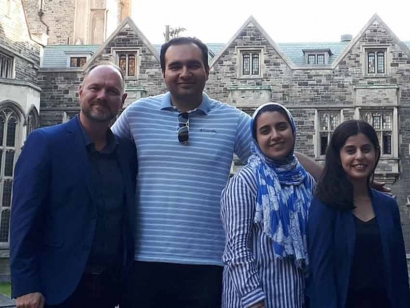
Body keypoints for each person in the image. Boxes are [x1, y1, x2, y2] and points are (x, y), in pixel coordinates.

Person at [111, 37, 322, 307]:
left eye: (193, 65)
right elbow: (104, 155)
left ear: (207, 71)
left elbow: (282, 155)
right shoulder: (137, 114)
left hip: (209, 264)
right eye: (175, 66)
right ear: (163, 72)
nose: (184, 73)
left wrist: (345, 179)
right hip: (144, 261)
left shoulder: (233, 121)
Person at [10, 63, 137, 308]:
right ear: (80, 92)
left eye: (111, 91)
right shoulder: (46, 143)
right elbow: (24, 218)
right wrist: (26, 286)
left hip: (112, 290)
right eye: (95, 88)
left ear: (122, 100)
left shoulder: (127, 153)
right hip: (56, 290)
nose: (102, 96)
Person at [307, 120, 410, 308]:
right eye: (350, 150)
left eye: (366, 149)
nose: (359, 156)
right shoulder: (324, 206)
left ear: (376, 153)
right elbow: (321, 274)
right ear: (338, 156)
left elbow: (399, 272)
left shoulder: (388, 206)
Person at [221, 103, 315, 308]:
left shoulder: (306, 181)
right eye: (265, 131)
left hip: (297, 298)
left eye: (281, 127)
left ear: (292, 129)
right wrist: (253, 299)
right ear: (256, 139)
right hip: (256, 300)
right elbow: (236, 249)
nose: (275, 135)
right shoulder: (246, 181)